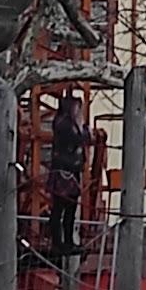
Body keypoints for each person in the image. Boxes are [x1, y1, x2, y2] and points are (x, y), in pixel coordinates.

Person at [47, 93, 87, 260]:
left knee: (69, 209)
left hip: (71, 170)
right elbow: (79, 139)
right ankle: (59, 242)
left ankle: (68, 242)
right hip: (64, 171)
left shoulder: (68, 123)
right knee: (60, 209)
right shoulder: (64, 123)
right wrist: (84, 129)